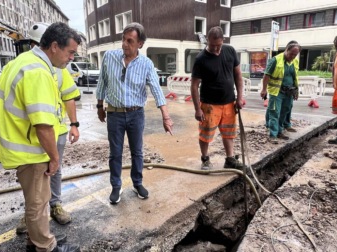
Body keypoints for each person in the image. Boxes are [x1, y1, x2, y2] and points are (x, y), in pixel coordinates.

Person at [0, 22, 81, 252]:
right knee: (38, 201)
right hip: (30, 148)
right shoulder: (38, 72)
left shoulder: (21, 62)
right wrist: (55, 158)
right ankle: (45, 246)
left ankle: (34, 240)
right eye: (70, 52)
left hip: (18, 142)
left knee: (36, 199)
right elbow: (43, 125)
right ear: (55, 47)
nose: (71, 58)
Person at [96, 22, 173, 204]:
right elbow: (102, 83)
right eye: (123, 39)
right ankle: (116, 186)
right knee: (115, 153)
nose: (124, 44)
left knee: (137, 152)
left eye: (130, 41)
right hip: (114, 113)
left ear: (140, 44)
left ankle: (137, 183)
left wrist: (166, 115)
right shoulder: (109, 57)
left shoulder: (146, 64)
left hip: (136, 114)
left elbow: (156, 88)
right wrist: (99, 106)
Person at [15, 23, 81, 235]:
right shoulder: (29, 67)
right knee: (33, 177)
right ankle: (33, 214)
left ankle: (54, 205)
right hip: (31, 135)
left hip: (56, 131)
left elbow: (69, 96)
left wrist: (73, 124)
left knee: (54, 170)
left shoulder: (60, 69)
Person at [191, 26, 246, 170]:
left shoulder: (230, 51)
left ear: (223, 40)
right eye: (212, 45)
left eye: (218, 45)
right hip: (209, 105)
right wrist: (197, 109)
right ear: (207, 41)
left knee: (229, 133)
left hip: (229, 102)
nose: (215, 49)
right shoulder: (201, 59)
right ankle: (205, 159)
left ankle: (229, 159)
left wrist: (240, 97)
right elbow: (194, 85)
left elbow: (238, 75)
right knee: (206, 134)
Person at [261, 41, 301, 144]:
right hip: (277, 91)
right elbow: (266, 75)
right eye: (291, 53)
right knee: (275, 112)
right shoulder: (275, 60)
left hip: (289, 92)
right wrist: (264, 89)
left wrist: (296, 90)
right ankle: (273, 134)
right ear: (286, 50)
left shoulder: (295, 62)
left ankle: (280, 130)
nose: (292, 56)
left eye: (295, 54)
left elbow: (295, 77)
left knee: (285, 110)